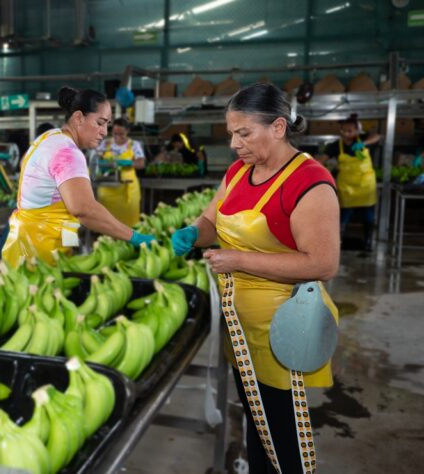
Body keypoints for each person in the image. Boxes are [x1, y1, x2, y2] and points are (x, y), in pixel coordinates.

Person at [171, 83, 340, 473]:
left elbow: (323, 263)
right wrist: (194, 233)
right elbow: (212, 218)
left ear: (278, 127)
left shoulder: (309, 183)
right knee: (257, 430)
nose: (234, 144)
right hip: (243, 329)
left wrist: (239, 260)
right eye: (232, 133)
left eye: (244, 133)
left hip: (283, 332)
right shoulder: (239, 171)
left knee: (284, 440)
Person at [1, 86, 156, 267]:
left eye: (107, 124)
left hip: (26, 245)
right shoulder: (67, 152)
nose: (105, 132)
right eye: (100, 123)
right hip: (41, 255)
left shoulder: (49, 138)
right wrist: (134, 237)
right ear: (78, 118)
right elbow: (84, 209)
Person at [317, 113, 381, 252]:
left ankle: (368, 242)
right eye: (343, 130)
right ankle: (337, 243)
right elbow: (321, 161)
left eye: (350, 131)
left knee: (368, 217)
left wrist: (363, 143)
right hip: (347, 187)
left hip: (365, 186)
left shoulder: (363, 140)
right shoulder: (336, 145)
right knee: (343, 216)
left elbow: (377, 136)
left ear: (357, 131)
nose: (346, 134)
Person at [94, 118, 145, 226]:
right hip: (108, 188)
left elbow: (141, 163)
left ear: (127, 131)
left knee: (128, 221)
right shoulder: (105, 144)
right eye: (115, 133)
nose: (117, 136)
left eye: (121, 133)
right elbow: (95, 159)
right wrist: (102, 163)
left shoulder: (134, 145)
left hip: (127, 188)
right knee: (107, 221)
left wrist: (129, 163)